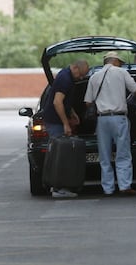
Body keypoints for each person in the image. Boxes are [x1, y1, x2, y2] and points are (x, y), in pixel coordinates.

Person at [84, 51, 136, 196]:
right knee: (123, 153)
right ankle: (124, 186)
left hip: (102, 119)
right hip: (119, 118)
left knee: (104, 155)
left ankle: (108, 188)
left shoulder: (94, 77)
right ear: (115, 61)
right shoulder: (122, 73)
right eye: (120, 62)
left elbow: (87, 102)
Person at [43, 59, 90, 198]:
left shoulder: (66, 75)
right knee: (60, 156)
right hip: (55, 122)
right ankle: (59, 188)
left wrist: (72, 113)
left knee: (59, 154)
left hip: (55, 120)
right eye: (80, 75)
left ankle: (59, 187)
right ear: (75, 67)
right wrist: (65, 123)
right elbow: (57, 102)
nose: (81, 78)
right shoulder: (65, 79)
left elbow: (65, 102)